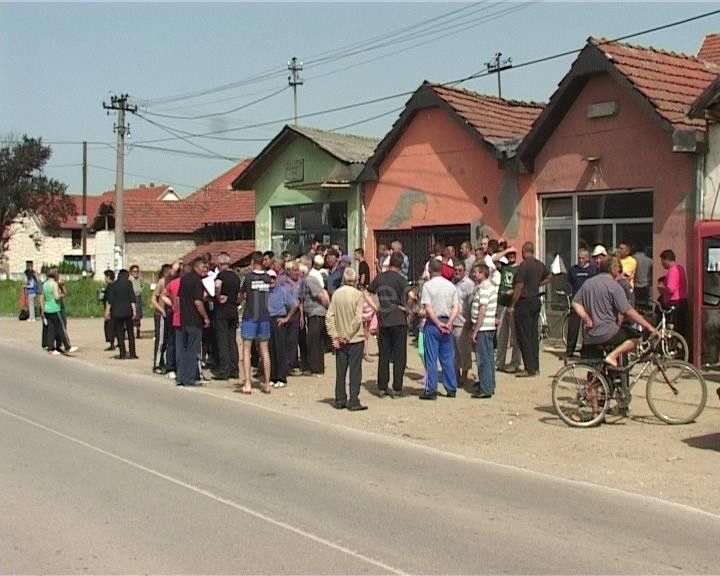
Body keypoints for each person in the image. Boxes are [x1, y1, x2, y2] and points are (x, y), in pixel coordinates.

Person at [572, 246, 657, 370]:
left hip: (590, 335)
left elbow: (575, 303)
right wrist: (648, 326)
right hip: (607, 333)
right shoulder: (614, 286)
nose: (619, 274)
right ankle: (613, 356)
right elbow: (628, 310)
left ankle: (593, 388)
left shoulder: (588, 283)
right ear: (613, 269)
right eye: (618, 271)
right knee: (636, 338)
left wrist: (586, 317)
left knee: (596, 369)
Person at [368, 252, 414, 397]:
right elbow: (413, 296)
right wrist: (407, 308)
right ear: (401, 265)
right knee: (399, 355)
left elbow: (367, 292)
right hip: (399, 319)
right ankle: (397, 388)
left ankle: (382, 387)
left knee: (384, 354)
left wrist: (376, 307)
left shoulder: (381, 277)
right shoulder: (401, 279)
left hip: (384, 319)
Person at [326, 267, 368, 411]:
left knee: (340, 371)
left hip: (340, 338)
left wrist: (335, 335)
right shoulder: (357, 295)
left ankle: (340, 399)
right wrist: (347, 335)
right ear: (355, 281)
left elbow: (329, 316)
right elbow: (357, 319)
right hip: (355, 338)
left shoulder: (336, 294)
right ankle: (353, 400)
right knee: (355, 371)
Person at [508, 242, 550, 377]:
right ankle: (535, 367)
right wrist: (538, 284)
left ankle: (529, 368)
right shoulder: (539, 264)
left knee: (524, 336)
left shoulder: (524, 265)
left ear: (523, 251)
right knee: (533, 336)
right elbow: (550, 277)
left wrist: (512, 305)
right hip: (535, 300)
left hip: (524, 302)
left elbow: (519, 286)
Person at [419, 258, 459, 400]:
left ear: (429, 270)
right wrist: (449, 322)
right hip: (447, 322)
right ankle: (451, 387)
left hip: (433, 324)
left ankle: (431, 389)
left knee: (431, 358)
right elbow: (455, 307)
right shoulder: (451, 286)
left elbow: (428, 308)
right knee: (448, 357)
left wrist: (436, 322)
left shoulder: (428, 286)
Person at [238, 253, 273, 394]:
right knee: (265, 351)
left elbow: (240, 297)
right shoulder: (267, 278)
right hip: (264, 316)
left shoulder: (247, 278)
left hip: (250, 316)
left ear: (253, 262)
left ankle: (247, 383)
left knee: (247, 350)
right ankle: (267, 383)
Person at [177, 258, 210, 386]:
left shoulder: (184, 279)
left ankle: (182, 376)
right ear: (197, 267)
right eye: (203, 266)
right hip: (194, 321)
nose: (205, 269)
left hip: (185, 320)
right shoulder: (197, 281)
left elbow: (179, 299)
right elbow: (198, 302)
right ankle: (189, 378)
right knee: (192, 350)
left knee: (185, 350)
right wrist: (205, 317)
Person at [267, 268, 299, 388]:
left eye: (273, 278)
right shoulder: (264, 292)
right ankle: (273, 377)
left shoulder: (283, 290)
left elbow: (295, 304)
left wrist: (287, 318)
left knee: (280, 350)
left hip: (279, 320)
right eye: (269, 278)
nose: (271, 281)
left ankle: (282, 377)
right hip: (267, 321)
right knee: (270, 350)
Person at [211, 252, 241, 381]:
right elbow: (240, 295)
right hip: (233, 310)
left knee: (222, 341)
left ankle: (224, 369)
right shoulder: (236, 277)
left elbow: (217, 286)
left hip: (222, 311)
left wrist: (217, 296)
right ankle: (235, 369)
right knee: (232, 340)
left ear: (221, 264)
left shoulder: (221, 275)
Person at [470, 263, 498, 399]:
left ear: (483, 273)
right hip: (487, 327)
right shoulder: (484, 287)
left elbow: (483, 309)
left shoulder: (485, 288)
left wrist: (475, 330)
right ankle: (489, 384)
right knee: (488, 358)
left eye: (476, 272)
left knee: (483, 359)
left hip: (484, 328)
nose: (474, 275)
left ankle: (485, 388)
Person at [564, 248, 597, 359]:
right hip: (576, 302)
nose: (580, 260)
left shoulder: (593, 270)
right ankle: (569, 351)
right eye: (579, 258)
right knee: (573, 327)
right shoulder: (573, 270)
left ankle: (585, 351)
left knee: (587, 327)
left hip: (589, 302)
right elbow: (569, 284)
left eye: (583, 258)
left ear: (587, 259)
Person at [302, 256, 331, 376]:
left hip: (317, 313)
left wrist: (327, 309)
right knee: (317, 341)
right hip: (313, 313)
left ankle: (315, 368)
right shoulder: (308, 279)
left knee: (313, 341)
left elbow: (322, 296)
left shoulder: (310, 279)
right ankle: (317, 367)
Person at [495, 249, 521, 373]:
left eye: (513, 255)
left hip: (513, 305)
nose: (511, 257)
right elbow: (493, 259)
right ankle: (499, 362)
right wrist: (507, 250)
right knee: (501, 335)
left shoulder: (519, 269)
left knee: (515, 336)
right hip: (502, 303)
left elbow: (521, 286)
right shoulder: (504, 267)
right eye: (509, 255)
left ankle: (515, 362)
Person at [41, 267, 77, 355]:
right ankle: (68, 346)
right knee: (61, 328)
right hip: (55, 308)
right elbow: (57, 297)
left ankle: (50, 348)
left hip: (47, 309)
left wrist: (43, 309)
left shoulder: (45, 284)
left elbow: (42, 297)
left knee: (51, 329)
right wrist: (62, 295)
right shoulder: (54, 284)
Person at [451, 260, 475, 386]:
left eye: (460, 270)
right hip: (453, 321)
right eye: (455, 270)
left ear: (465, 270)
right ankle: (456, 375)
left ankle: (464, 376)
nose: (457, 272)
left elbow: (471, 303)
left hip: (463, 321)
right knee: (454, 352)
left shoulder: (469, 284)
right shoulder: (452, 283)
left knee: (464, 350)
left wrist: (470, 320)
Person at [657, 249, 688, 342]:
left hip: (674, 303)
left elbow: (671, 289)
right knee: (680, 327)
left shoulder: (672, 270)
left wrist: (661, 287)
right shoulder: (680, 268)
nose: (662, 264)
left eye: (662, 261)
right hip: (682, 301)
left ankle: (672, 349)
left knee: (671, 328)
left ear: (667, 260)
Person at [106, 269, 137, 360]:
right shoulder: (128, 284)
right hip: (128, 312)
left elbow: (110, 300)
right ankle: (132, 353)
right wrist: (134, 311)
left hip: (117, 312)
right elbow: (132, 298)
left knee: (120, 334)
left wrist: (107, 311)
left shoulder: (114, 285)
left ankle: (122, 354)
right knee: (130, 333)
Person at [151, 263, 173, 374]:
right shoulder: (162, 282)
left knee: (168, 340)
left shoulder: (172, 282)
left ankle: (164, 362)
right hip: (161, 315)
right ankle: (156, 364)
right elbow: (153, 299)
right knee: (160, 340)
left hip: (169, 314)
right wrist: (161, 310)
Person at [633, 244, 653, 311]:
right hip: (646, 284)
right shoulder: (649, 260)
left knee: (636, 304)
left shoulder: (633, 258)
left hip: (635, 284)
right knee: (645, 304)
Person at [101, 269, 116, 351]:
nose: (105, 279)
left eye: (105, 277)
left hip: (110, 310)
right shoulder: (114, 286)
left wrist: (107, 311)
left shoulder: (110, 287)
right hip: (114, 309)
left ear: (108, 277)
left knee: (110, 327)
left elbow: (108, 300)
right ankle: (113, 343)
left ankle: (112, 344)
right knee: (113, 327)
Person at [129, 264, 144, 339]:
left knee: (138, 316)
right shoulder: (129, 280)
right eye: (134, 271)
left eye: (137, 271)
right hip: (132, 298)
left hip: (138, 297)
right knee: (132, 315)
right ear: (131, 272)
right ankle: (131, 332)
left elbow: (141, 287)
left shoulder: (139, 279)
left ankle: (138, 332)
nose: (136, 273)